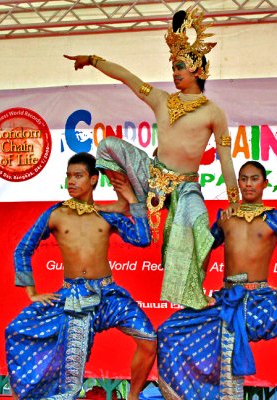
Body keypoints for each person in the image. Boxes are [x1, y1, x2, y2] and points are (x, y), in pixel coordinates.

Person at [64, 7, 239, 310]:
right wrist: (92, 60)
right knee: (108, 144)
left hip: (186, 189)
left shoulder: (213, 112)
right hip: (151, 178)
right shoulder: (161, 99)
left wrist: (234, 198)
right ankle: (128, 202)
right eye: (173, 67)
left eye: (180, 66)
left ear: (198, 68)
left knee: (199, 231)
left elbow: (225, 157)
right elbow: (128, 78)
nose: (175, 72)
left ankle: (194, 294)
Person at [157, 161, 277, 400]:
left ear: (264, 183)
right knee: (168, 330)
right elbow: (202, 248)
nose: (248, 184)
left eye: (254, 179)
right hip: (227, 301)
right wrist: (184, 211)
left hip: (262, 301)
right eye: (244, 179)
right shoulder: (226, 217)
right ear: (238, 183)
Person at [5, 152, 157, 400]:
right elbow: (23, 249)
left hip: (108, 295)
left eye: (78, 176)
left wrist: (132, 200)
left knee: (149, 340)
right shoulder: (56, 214)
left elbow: (142, 238)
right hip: (72, 297)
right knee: (15, 331)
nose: (71, 181)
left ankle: (133, 397)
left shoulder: (106, 214)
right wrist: (31, 292)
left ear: (94, 179)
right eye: (68, 176)